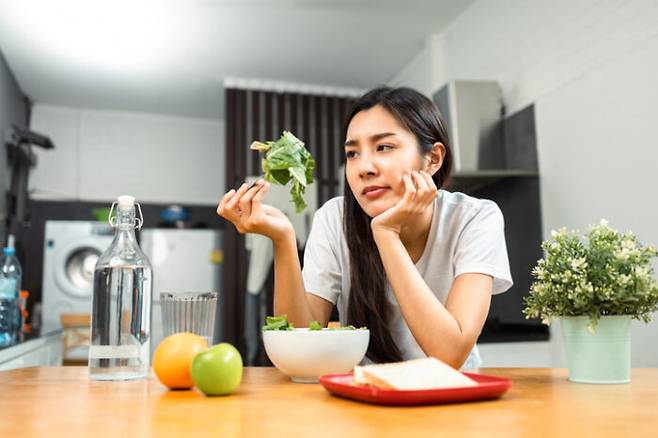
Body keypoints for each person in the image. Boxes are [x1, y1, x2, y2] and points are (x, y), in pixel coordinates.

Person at [217, 87, 512, 368]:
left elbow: (450, 354)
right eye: (352, 153)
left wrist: (386, 233)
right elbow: (300, 345)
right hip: (368, 394)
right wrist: (282, 239)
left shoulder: (475, 218)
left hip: (453, 397)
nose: (363, 168)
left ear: (432, 159)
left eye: (384, 147)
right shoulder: (334, 218)